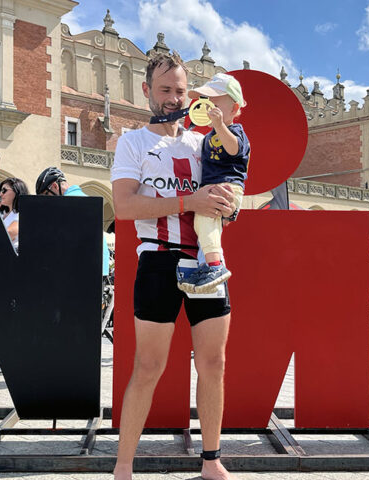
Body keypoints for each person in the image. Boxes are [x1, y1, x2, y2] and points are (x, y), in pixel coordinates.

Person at [111, 51, 236, 480]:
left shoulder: (204, 142)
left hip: (206, 260)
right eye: (165, 89)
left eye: (180, 90)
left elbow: (229, 188)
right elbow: (124, 207)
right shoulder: (132, 142)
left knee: (214, 364)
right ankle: (123, 466)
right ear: (147, 90)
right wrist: (189, 201)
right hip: (158, 260)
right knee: (148, 367)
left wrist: (229, 205)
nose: (173, 98)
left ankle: (211, 461)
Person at [177, 73, 249, 294]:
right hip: (213, 187)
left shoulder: (235, 131)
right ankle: (207, 265)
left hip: (227, 186)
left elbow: (234, 149)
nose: (209, 110)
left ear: (234, 108)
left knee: (204, 220)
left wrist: (219, 125)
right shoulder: (208, 136)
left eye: (215, 105)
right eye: (207, 103)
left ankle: (215, 266)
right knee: (204, 226)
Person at [35, 166, 110, 276]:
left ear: (55, 186)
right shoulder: (83, 198)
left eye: (46, 195)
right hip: (97, 268)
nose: (46, 201)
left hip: (83, 270)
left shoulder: (68, 203)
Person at [0, 177, 29, 250]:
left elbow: (8, 234)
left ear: (16, 191)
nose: (0, 194)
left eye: (4, 190)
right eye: (0, 190)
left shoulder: (21, 215)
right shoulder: (3, 213)